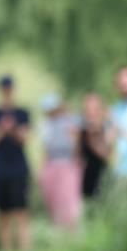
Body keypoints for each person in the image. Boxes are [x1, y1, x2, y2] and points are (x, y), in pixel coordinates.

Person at [0, 76, 31, 251]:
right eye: (5, 89)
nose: (7, 92)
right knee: (2, 214)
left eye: (9, 89)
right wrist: (1, 129)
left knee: (21, 212)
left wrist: (12, 130)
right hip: (0, 170)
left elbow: (24, 139)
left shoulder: (22, 113)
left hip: (18, 169)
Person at [37, 93, 82, 229]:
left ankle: (72, 231)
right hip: (52, 164)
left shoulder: (71, 121)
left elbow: (76, 144)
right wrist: (42, 170)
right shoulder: (46, 125)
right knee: (54, 201)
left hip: (68, 164)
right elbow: (45, 150)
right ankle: (59, 231)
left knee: (69, 202)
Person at [78, 93, 114, 199]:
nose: (91, 113)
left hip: (103, 178)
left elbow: (107, 155)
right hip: (85, 178)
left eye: (95, 109)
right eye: (87, 109)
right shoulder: (83, 130)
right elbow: (78, 156)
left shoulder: (108, 128)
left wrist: (94, 138)